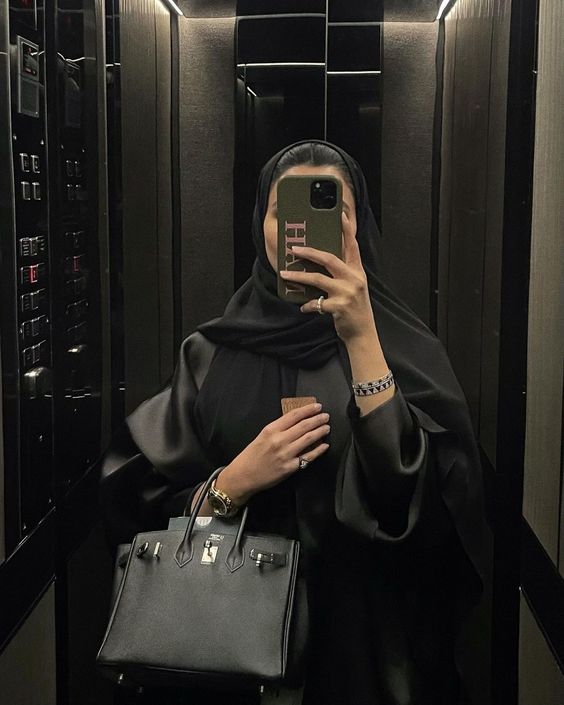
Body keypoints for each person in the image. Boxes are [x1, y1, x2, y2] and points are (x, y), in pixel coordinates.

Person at [99, 141, 491, 705]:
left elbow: (428, 506)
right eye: (283, 212)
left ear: (359, 229)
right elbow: (132, 496)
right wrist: (231, 484)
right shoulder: (210, 354)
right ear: (261, 225)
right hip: (224, 647)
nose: (302, 232)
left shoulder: (401, 349)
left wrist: (362, 336)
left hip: (363, 656)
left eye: (333, 211)